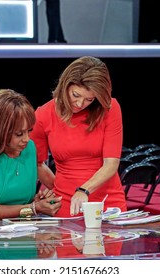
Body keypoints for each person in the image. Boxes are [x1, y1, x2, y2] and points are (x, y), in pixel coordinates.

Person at [30, 56, 127, 217]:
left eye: (89, 99)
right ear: (65, 86)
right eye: (75, 95)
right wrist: (58, 187)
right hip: (66, 202)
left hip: (107, 201)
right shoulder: (43, 115)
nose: (80, 103)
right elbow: (37, 163)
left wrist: (84, 189)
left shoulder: (110, 108)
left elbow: (111, 164)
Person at [0, 89, 61, 220]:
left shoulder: (30, 147)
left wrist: (44, 201)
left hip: (24, 229)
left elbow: (56, 186)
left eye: (29, 131)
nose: (26, 138)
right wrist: (32, 208)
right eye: (19, 134)